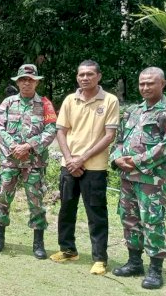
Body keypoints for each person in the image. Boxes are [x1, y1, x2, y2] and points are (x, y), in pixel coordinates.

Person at [110, 67, 166, 289]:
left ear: (162, 84)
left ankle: (155, 270)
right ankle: (134, 262)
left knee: (152, 221)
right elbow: (120, 141)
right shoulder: (133, 111)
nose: (145, 87)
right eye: (142, 83)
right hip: (128, 178)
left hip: (152, 181)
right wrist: (116, 159)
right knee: (129, 219)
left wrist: (137, 161)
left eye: (150, 83)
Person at [51, 60, 119, 276]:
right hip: (69, 166)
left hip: (95, 167)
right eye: (81, 74)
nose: (85, 78)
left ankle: (100, 258)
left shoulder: (110, 100)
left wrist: (82, 159)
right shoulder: (71, 100)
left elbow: (109, 135)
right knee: (66, 209)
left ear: (99, 76)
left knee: (96, 213)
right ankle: (68, 250)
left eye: (90, 74)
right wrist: (70, 159)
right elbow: (61, 131)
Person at [0, 64, 57, 258]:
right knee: (3, 198)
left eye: (30, 80)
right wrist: (14, 148)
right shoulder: (8, 103)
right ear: (18, 82)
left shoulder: (45, 104)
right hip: (10, 161)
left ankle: (38, 243)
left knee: (36, 201)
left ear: (36, 82)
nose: (27, 83)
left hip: (34, 162)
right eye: (23, 80)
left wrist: (29, 146)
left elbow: (51, 129)